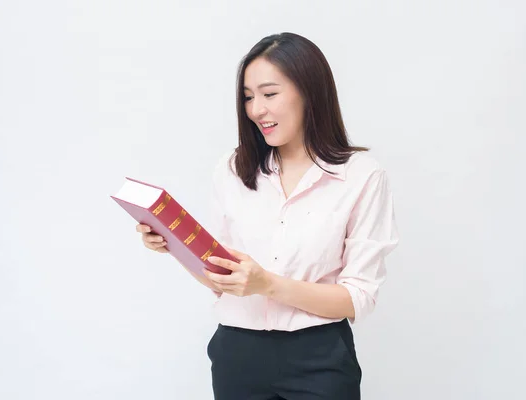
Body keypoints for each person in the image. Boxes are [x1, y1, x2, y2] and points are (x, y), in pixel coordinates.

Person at [136, 32, 399, 400]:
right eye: (248, 97)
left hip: (319, 360)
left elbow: (358, 297)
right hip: (237, 356)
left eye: (269, 94)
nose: (256, 109)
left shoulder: (362, 177)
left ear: (309, 92)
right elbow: (221, 278)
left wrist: (268, 284)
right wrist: (173, 244)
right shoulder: (232, 169)